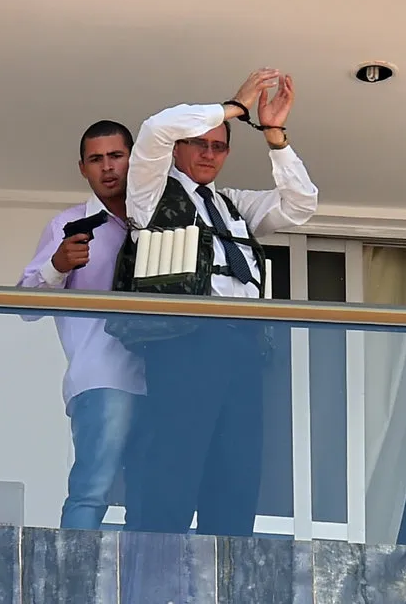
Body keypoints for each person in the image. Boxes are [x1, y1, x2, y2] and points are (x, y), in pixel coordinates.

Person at [116, 68, 318, 537]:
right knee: (176, 464)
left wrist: (274, 136)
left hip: (244, 346)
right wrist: (235, 108)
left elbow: (299, 205)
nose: (209, 154)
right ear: (179, 149)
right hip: (186, 340)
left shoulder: (232, 205)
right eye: (199, 144)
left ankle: (227, 572)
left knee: (238, 468)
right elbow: (154, 129)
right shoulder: (149, 191)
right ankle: (156, 567)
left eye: (219, 145)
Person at [17, 120, 146, 530]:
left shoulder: (161, 221)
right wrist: (57, 266)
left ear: (133, 158)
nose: (108, 167)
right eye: (96, 159)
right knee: (93, 490)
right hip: (104, 377)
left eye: (116, 156)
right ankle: (72, 585)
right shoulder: (69, 226)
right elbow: (25, 304)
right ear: (83, 169)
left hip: (166, 378)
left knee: (155, 499)